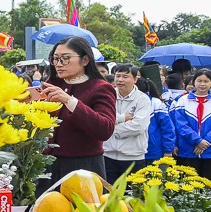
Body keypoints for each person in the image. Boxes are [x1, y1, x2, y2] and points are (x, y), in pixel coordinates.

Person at [38, 37, 117, 190]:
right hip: (48, 166)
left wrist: (70, 101)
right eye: (55, 59)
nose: (59, 64)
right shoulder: (51, 85)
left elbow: (105, 128)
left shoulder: (101, 88)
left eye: (66, 59)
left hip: (84, 166)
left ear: (85, 60)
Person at [172, 68, 211, 187]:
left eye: (206, 81)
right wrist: (197, 141)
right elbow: (181, 125)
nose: (202, 84)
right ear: (194, 82)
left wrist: (206, 141)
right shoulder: (183, 100)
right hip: (189, 149)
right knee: (188, 187)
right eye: (199, 81)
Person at [102, 63, 152, 182]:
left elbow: (138, 126)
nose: (120, 80)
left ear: (135, 79)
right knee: (108, 195)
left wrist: (109, 127)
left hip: (133, 156)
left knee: (131, 197)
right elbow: (101, 118)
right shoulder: (108, 95)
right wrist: (122, 118)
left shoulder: (142, 99)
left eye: (125, 76)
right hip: (108, 155)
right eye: (117, 76)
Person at [140, 78, 176, 163]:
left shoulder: (156, 103)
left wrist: (168, 150)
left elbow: (168, 129)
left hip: (153, 151)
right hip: (134, 152)